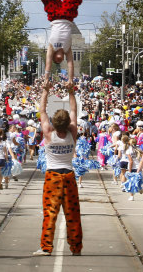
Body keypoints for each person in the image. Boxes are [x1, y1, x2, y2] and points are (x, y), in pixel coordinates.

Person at [21, 0, 107, 84]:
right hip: (67, 15)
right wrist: (71, 79)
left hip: (55, 15)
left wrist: (46, 79)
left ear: (55, 57)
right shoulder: (67, 49)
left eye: (58, 60)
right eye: (62, 60)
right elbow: (71, 64)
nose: (61, 60)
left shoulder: (51, 48)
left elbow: (48, 65)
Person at [33, 80, 82, 257]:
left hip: (52, 176)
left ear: (54, 122)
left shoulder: (48, 133)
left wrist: (45, 90)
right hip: (68, 175)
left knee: (50, 213)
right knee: (73, 214)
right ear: (68, 122)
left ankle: (46, 247)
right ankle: (76, 248)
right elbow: (75, 109)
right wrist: (71, 91)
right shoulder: (73, 133)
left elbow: (42, 110)